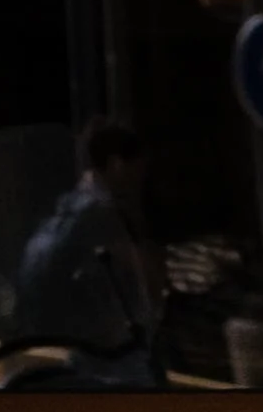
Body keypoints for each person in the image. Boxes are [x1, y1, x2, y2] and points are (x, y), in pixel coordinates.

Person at [16, 117, 163, 379]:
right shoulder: (103, 219)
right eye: (139, 170)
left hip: (56, 353)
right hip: (98, 361)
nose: (141, 180)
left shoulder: (65, 212)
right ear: (117, 165)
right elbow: (148, 289)